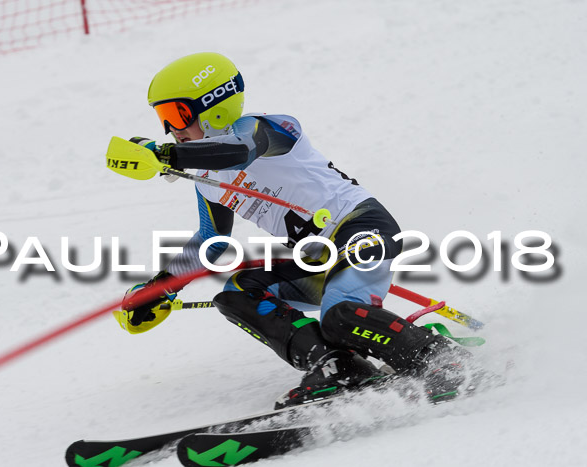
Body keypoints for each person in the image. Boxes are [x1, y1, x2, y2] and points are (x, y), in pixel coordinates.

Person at [113, 52, 470, 408]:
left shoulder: (268, 129)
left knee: (339, 314)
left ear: (213, 107)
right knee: (236, 293)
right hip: (317, 259)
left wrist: (165, 155)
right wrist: (158, 289)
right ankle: (337, 366)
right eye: (163, 119)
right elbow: (210, 240)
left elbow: (237, 153)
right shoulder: (206, 181)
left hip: (360, 228)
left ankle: (438, 357)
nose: (171, 130)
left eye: (177, 114)